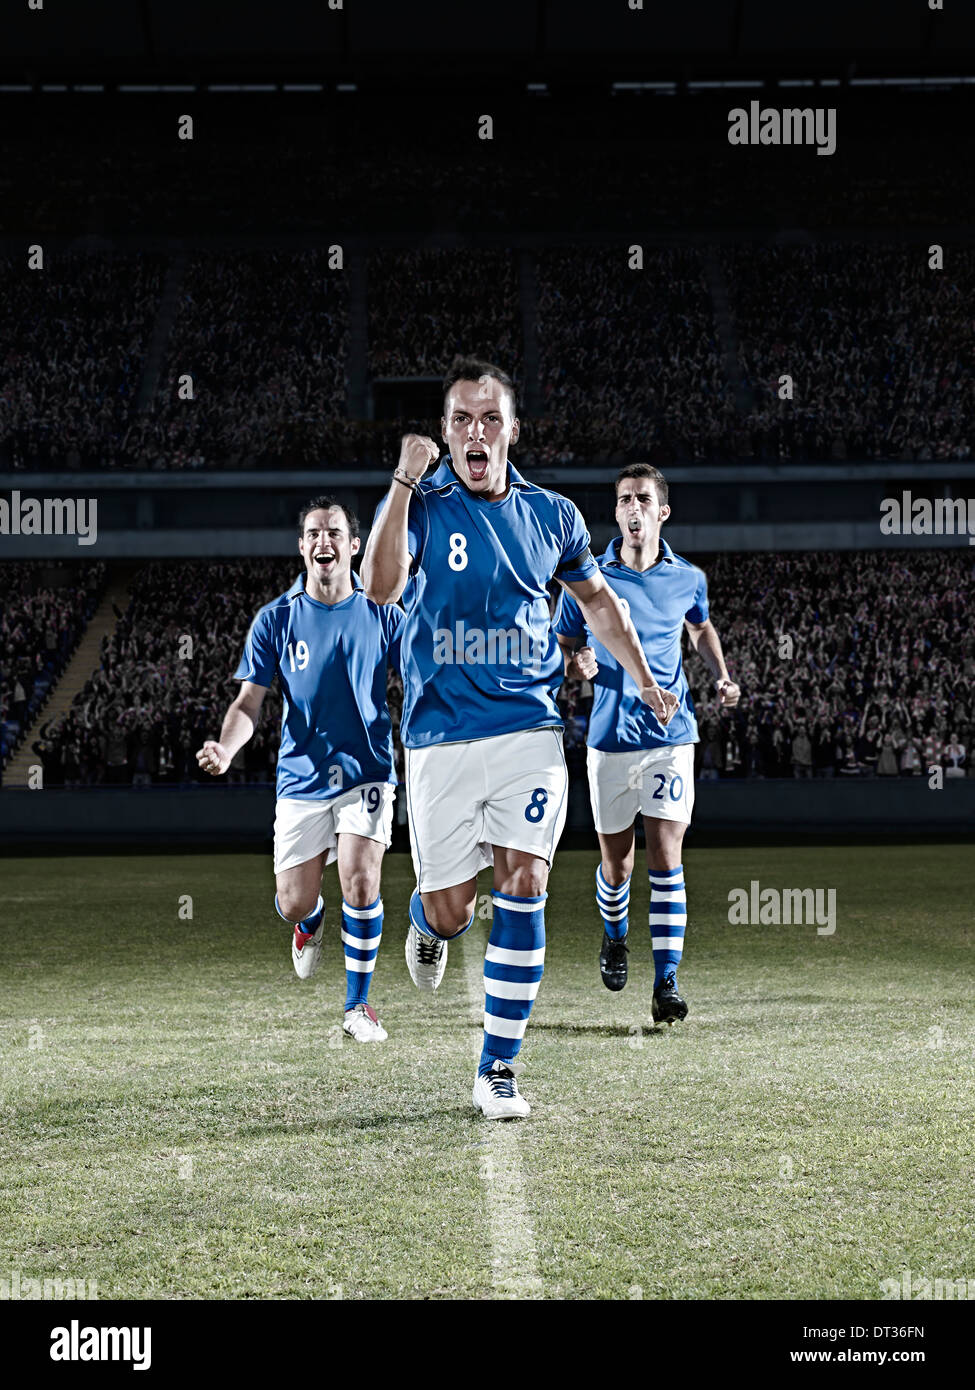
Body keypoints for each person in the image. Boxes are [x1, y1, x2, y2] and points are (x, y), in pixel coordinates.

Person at [361, 358, 678, 1120]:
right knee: (450, 907)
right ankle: (426, 924)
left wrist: (637, 675)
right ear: (442, 433)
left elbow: (600, 605)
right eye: (462, 419)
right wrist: (401, 484)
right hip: (437, 736)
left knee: (526, 882)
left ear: (511, 429)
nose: (476, 432)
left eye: (490, 418)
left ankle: (496, 1069)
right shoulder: (425, 507)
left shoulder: (554, 516)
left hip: (528, 731)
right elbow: (378, 587)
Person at [196, 497, 402, 1044]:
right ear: (302, 546)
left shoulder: (383, 611)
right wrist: (226, 746)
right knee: (292, 899)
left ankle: (358, 1006)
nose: (323, 542)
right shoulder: (277, 618)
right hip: (302, 776)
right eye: (313, 533)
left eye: (334, 532)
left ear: (354, 546)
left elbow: (425, 675)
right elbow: (248, 704)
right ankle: (309, 923)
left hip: (368, 771)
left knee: (360, 880)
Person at [554, 464, 739, 1025]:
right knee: (618, 862)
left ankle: (667, 982)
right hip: (610, 738)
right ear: (615, 512)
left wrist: (721, 675)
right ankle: (615, 938)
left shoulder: (688, 579)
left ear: (662, 512)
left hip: (670, 736)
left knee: (666, 855)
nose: (632, 507)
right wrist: (577, 661)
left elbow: (700, 628)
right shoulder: (588, 578)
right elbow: (568, 641)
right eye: (623, 499)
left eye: (643, 499)